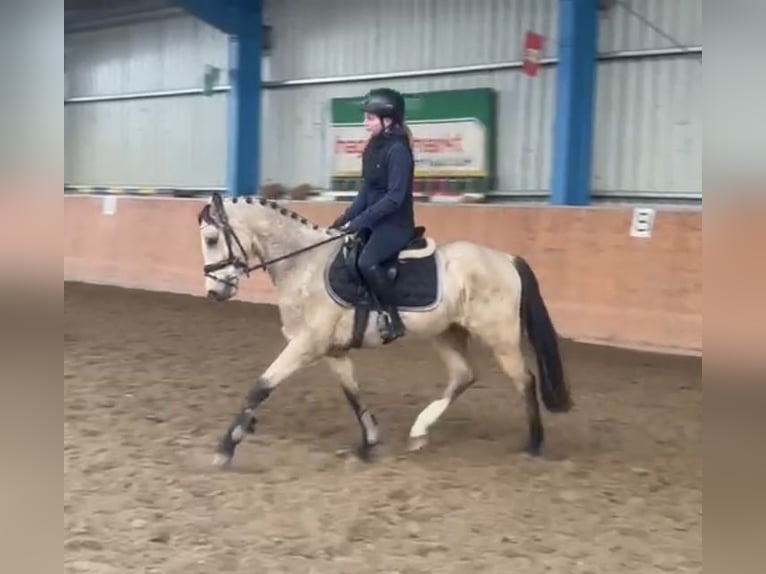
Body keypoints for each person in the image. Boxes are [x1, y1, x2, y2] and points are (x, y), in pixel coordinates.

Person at [330, 87, 417, 344]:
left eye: (369, 118)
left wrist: (359, 222)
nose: (364, 123)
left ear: (387, 120)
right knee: (346, 254)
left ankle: (393, 317)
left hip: (395, 224)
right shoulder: (373, 148)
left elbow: (394, 197)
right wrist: (343, 220)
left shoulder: (398, 151)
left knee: (367, 261)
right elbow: (366, 192)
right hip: (374, 221)